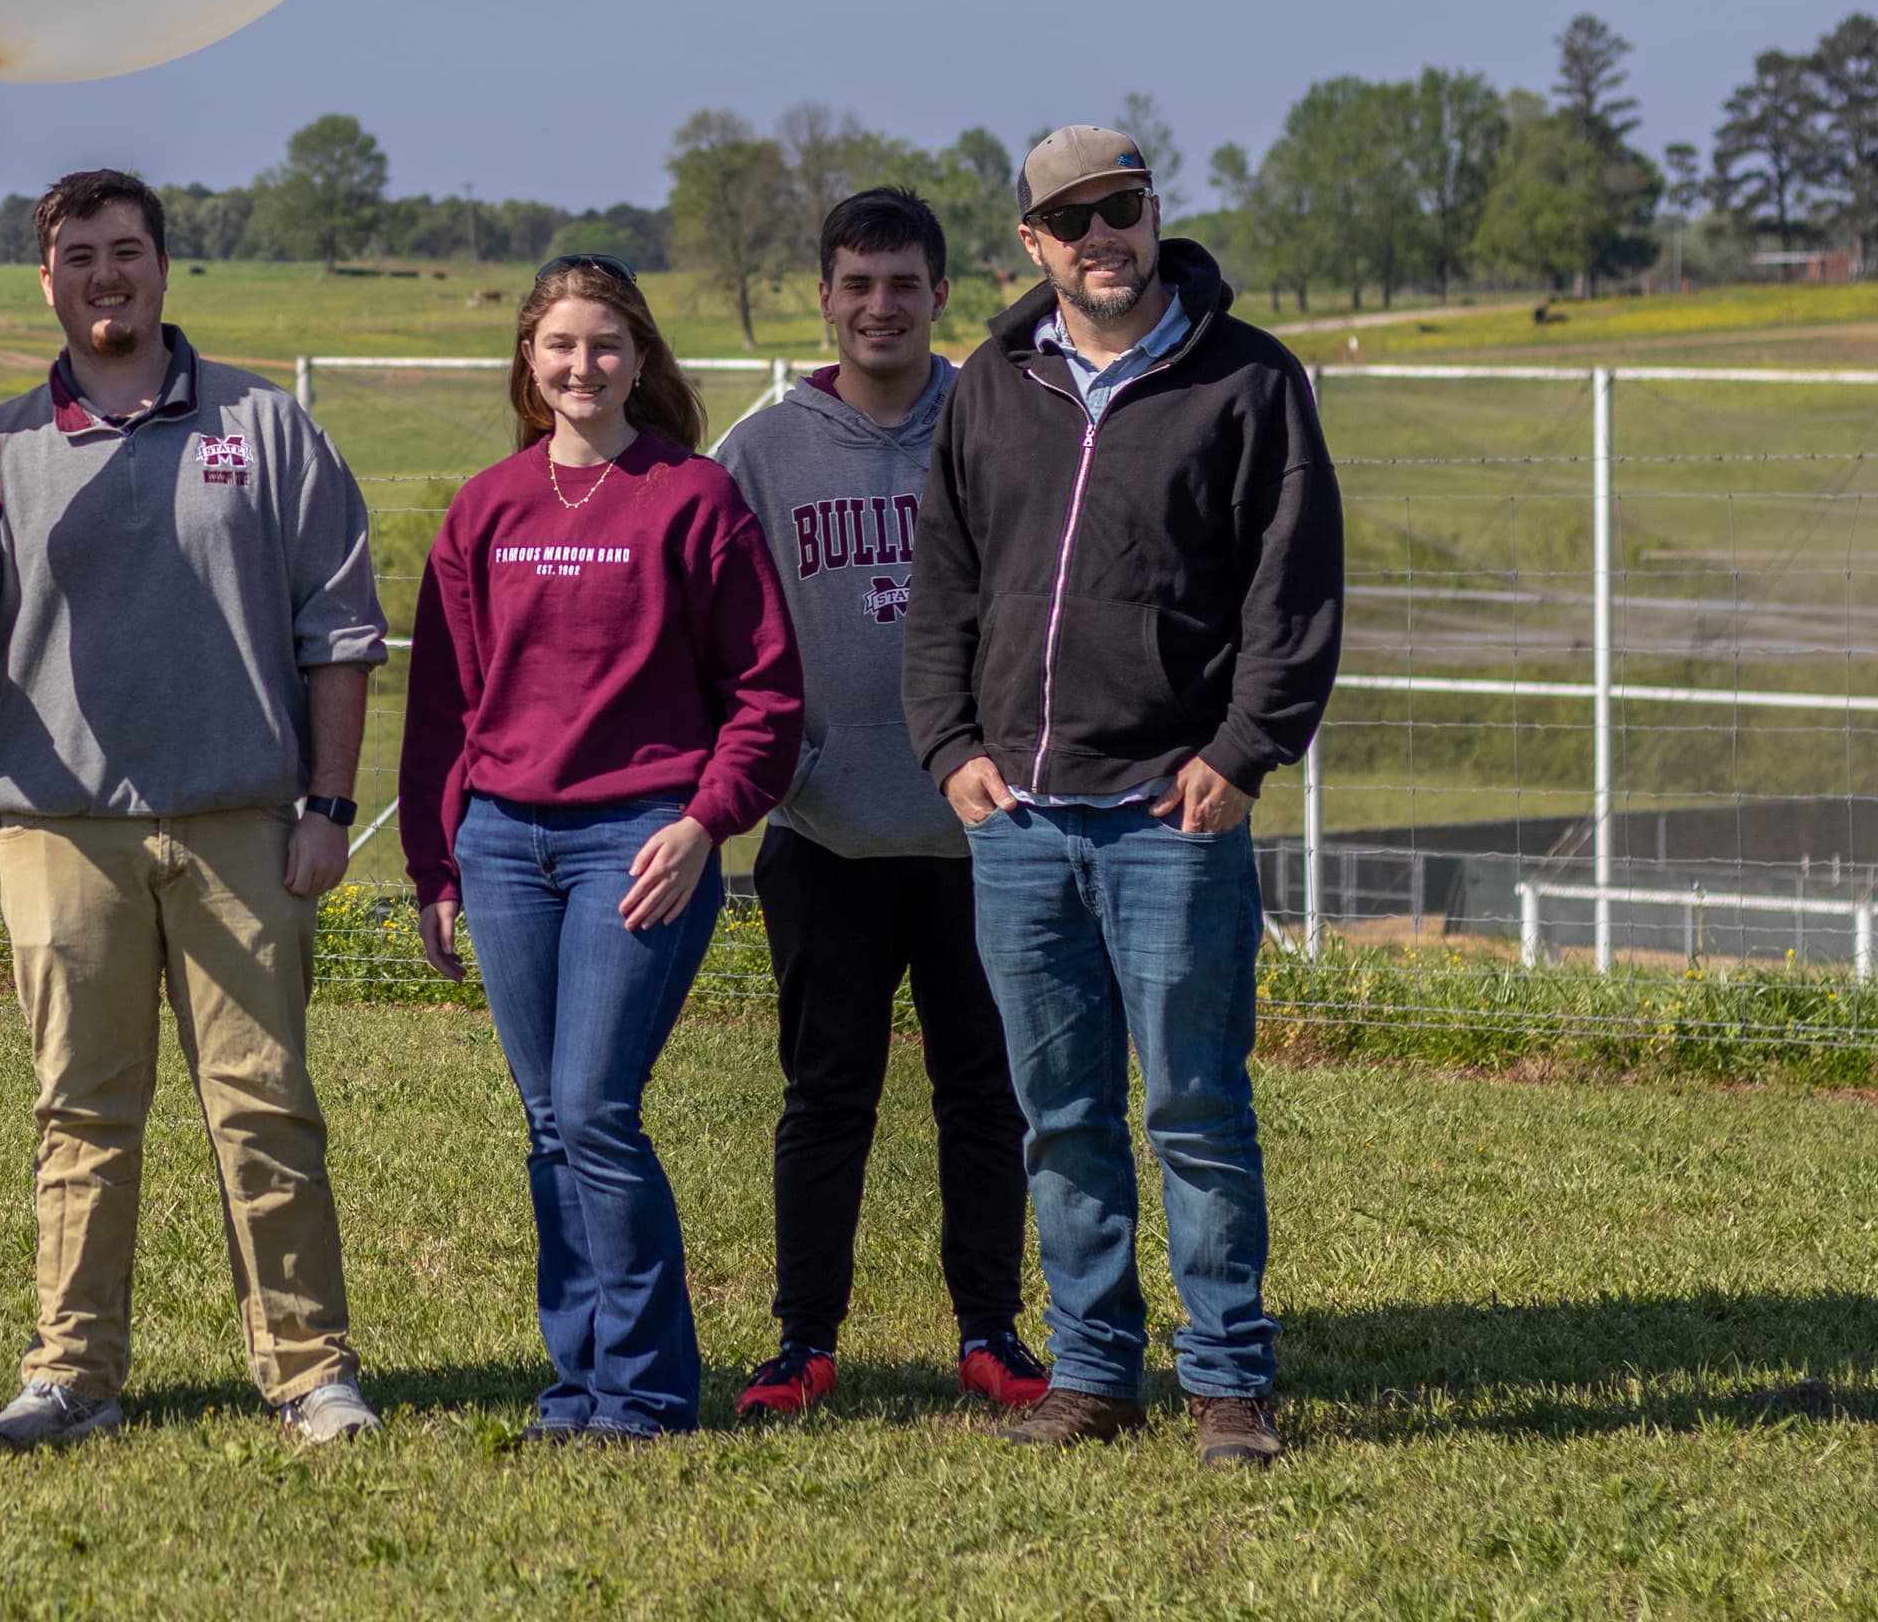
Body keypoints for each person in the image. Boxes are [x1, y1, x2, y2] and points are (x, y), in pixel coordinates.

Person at [0, 170, 389, 1451]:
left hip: (242, 828)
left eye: (126, 251)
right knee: (81, 1113)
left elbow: (339, 632)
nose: (105, 275)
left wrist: (328, 804)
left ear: (166, 267)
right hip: (60, 830)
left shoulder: (268, 431)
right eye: (78, 256)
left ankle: (309, 1369)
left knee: (265, 1105)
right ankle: (70, 1375)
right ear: (44, 279)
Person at [903, 127, 1341, 1467]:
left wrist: (1240, 752)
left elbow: (1294, 595)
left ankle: (1226, 1383)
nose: (1104, 237)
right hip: (1020, 820)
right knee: (1063, 1113)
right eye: (1073, 219)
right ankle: (1091, 1369)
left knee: (1196, 1107)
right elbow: (945, 589)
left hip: (1171, 816)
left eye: (1124, 209)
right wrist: (949, 749)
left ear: (1157, 215)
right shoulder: (992, 383)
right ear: (1031, 244)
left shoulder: (1247, 381)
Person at [398, 254, 802, 1441]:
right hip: (507, 845)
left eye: (606, 344)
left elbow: (768, 694)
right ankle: (574, 1385)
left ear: (640, 356)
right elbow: (442, 708)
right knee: (546, 1120)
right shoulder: (486, 509)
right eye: (561, 344)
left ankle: (648, 1390)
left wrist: (702, 821)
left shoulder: (692, 497)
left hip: (641, 840)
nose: (584, 365)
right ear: (528, 359)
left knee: (594, 1108)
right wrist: (436, 863)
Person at [710, 188, 1045, 1423]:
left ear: (941, 293)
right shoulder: (764, 448)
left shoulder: (998, 416)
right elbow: (715, 631)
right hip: (826, 834)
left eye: (903, 282)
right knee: (825, 1094)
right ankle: (804, 1340)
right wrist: (769, 764)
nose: (880, 306)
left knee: (986, 1094)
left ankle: (991, 1331)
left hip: (984, 832)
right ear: (825, 298)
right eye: (857, 284)